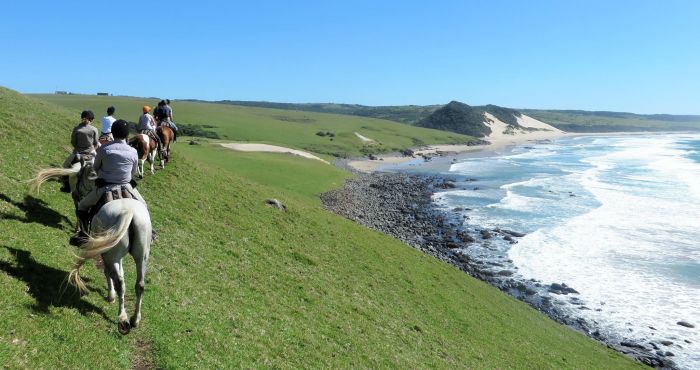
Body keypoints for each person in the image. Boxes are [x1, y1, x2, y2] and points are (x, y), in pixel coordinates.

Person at [75, 119, 153, 239]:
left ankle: (83, 235)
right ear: (127, 135)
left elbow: (95, 168)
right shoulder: (133, 151)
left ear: (112, 132)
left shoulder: (103, 149)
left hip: (105, 187)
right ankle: (150, 234)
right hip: (127, 186)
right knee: (144, 205)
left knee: (82, 206)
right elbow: (133, 172)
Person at [61, 110, 99, 192]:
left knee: (64, 167)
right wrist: (92, 149)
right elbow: (96, 143)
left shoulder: (76, 129)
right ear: (91, 119)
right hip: (91, 153)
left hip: (77, 153)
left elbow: (73, 142)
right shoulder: (94, 129)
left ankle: (66, 186)